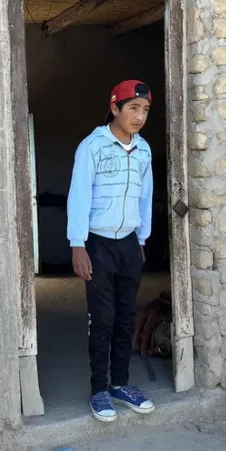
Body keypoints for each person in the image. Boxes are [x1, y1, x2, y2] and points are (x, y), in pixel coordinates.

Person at [66, 79, 155, 422]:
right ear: (115, 108)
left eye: (145, 110)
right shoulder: (93, 146)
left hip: (130, 243)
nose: (139, 116)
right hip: (98, 243)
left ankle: (121, 384)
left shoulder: (144, 150)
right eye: (133, 108)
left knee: (125, 316)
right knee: (102, 319)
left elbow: (145, 198)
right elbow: (79, 196)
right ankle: (99, 389)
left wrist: (143, 240)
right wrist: (78, 245)